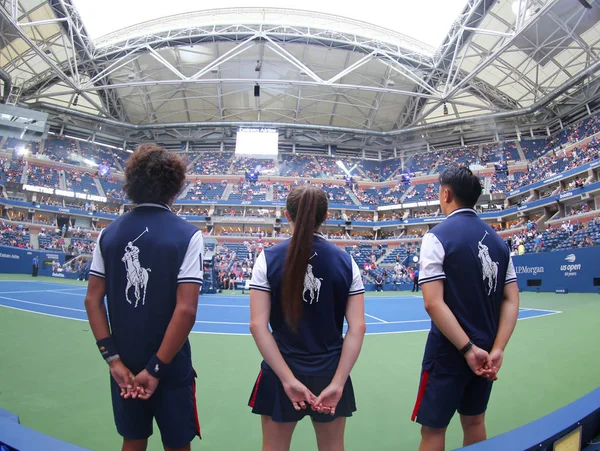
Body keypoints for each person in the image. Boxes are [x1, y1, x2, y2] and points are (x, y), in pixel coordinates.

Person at [84, 144, 204, 451]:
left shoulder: (108, 234)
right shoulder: (188, 235)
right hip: (171, 364)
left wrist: (113, 360)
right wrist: (156, 368)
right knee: (178, 444)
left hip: (123, 364)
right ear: (175, 187)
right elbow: (186, 309)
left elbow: (92, 300)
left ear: (131, 184)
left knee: (133, 439)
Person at [248, 185, 366, 451]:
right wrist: (337, 383)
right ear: (324, 218)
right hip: (329, 370)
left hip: (281, 371)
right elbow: (357, 327)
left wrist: (288, 380)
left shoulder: (267, 259)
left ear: (287, 215)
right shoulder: (346, 261)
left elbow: (257, 325)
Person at [411, 166, 519, 451]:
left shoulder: (436, 237)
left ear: (446, 194)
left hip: (448, 352)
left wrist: (467, 349)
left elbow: (433, 302)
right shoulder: (499, 243)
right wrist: (497, 349)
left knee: (433, 432)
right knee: (475, 422)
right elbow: (510, 299)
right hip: (487, 354)